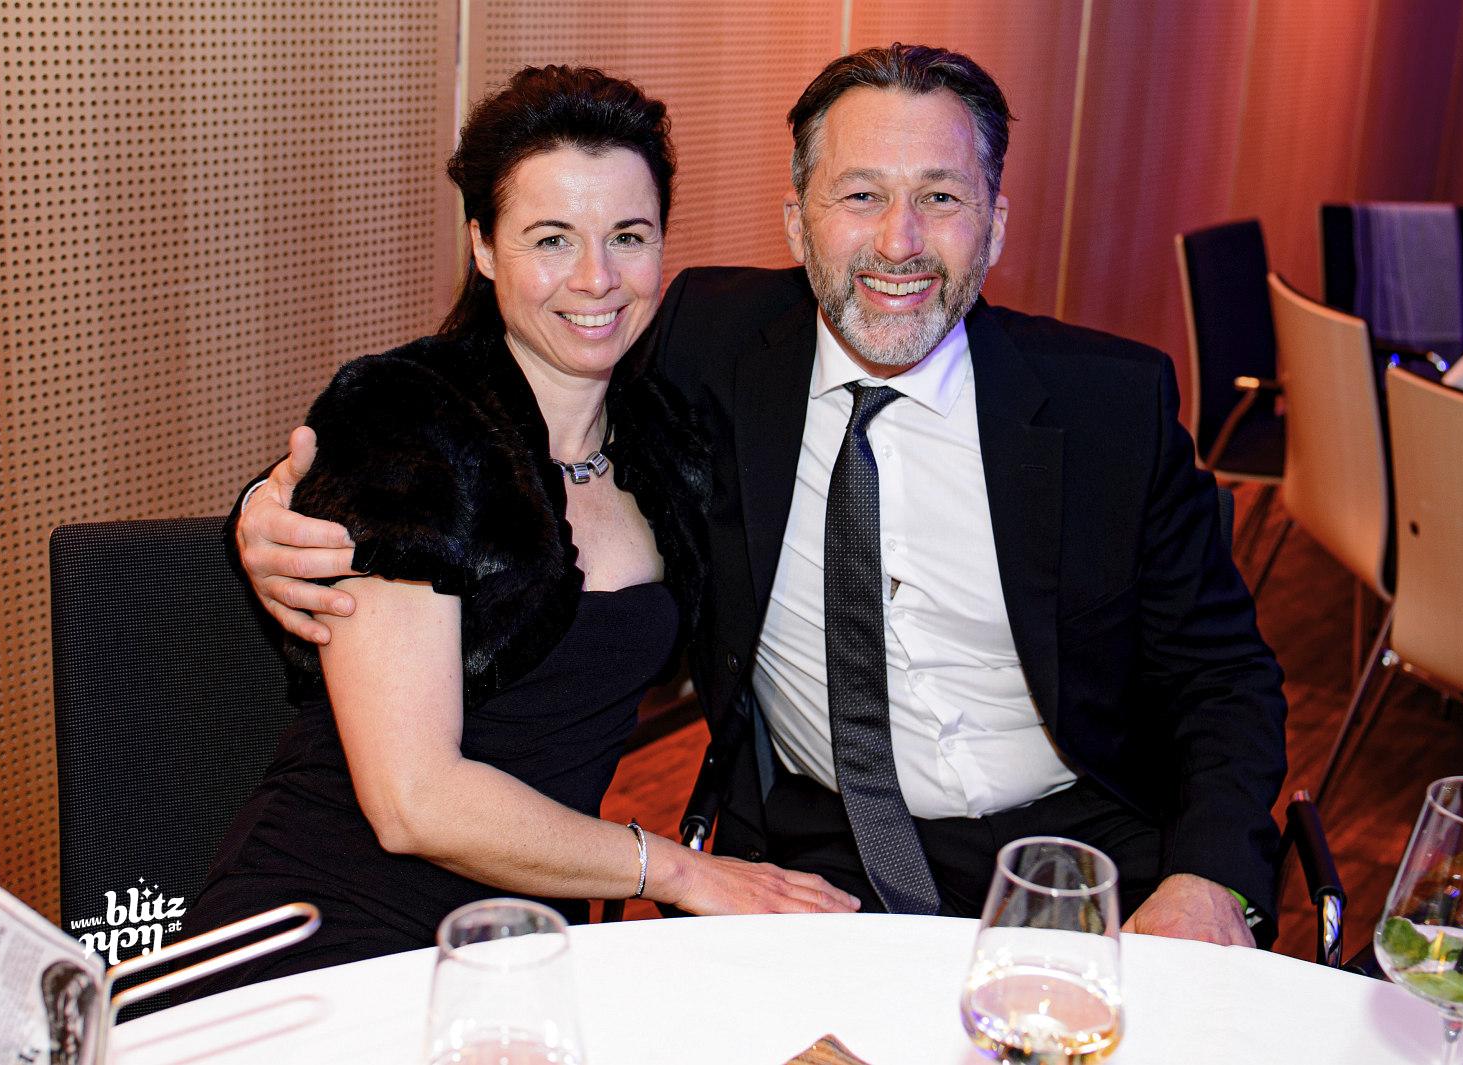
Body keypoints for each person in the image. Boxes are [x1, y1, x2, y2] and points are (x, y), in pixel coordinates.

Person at [235, 46, 1287, 947]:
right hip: (815, 857)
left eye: (940, 197)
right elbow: (439, 427)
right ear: (795, 222)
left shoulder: (1111, 406)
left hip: (1073, 853)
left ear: (996, 223)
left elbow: (1222, 674)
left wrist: (1209, 876)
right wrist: (271, 514)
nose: (899, 243)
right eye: (860, 195)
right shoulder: (707, 352)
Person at [182, 65, 857, 996]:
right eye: (552, 239)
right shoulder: (406, 424)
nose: (596, 279)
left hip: (523, 946)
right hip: (327, 926)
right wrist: (680, 870)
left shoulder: (669, 441)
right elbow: (414, 801)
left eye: (629, 237)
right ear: (484, 246)